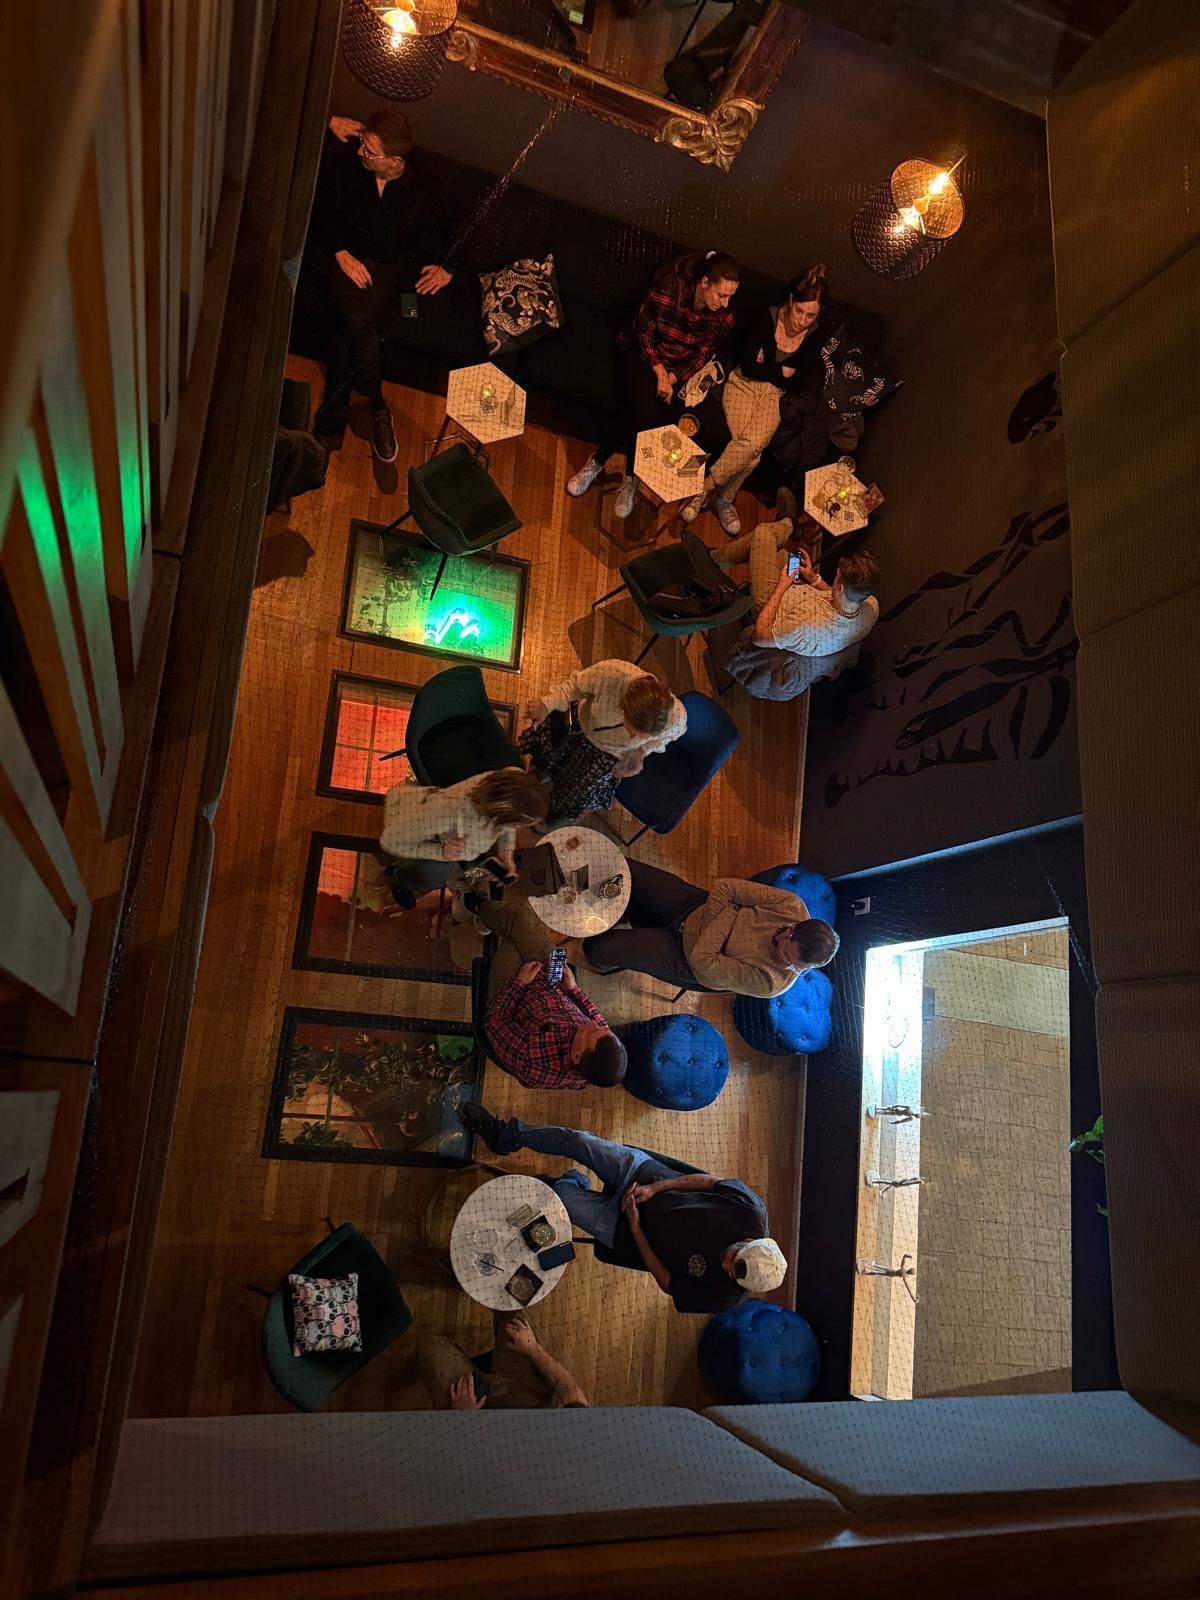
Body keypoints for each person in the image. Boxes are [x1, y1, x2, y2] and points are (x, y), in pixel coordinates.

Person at [457, 1105, 787, 1314]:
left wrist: (635, 1226)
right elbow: (707, 1182)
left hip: (624, 1229)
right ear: (751, 1240)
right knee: (579, 1141)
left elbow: (668, 1282)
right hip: (645, 1177)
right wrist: (655, 1188)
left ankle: (572, 1183)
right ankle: (506, 1135)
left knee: (556, 1197)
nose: (727, 1265)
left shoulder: (724, 1298)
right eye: (736, 1257)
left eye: (733, 1274)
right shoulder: (751, 1211)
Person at [309, 110, 455, 461]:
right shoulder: (348, 162)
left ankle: (330, 428)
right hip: (347, 257)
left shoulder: (426, 186)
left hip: (390, 270)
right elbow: (319, 207)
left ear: (394, 161)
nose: (362, 153)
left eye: (370, 151)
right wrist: (339, 251)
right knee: (355, 321)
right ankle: (375, 404)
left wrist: (450, 267)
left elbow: (459, 224)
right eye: (363, 144)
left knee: (350, 327)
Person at [566, 251, 739, 520]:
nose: (726, 302)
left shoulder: (722, 318)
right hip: (643, 354)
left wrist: (673, 377)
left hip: (675, 370)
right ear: (705, 282)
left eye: (730, 296)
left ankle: (631, 476)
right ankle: (599, 463)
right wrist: (658, 369)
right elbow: (642, 331)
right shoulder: (671, 287)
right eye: (721, 295)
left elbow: (701, 356)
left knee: (668, 419)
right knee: (641, 411)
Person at [682, 264, 831, 536]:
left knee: (751, 446)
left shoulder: (814, 335)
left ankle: (703, 489)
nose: (802, 320)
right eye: (800, 311)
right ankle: (723, 498)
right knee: (750, 455)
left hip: (774, 396)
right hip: (743, 384)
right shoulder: (767, 317)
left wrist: (772, 369)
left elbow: (797, 382)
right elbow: (749, 366)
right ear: (790, 301)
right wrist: (780, 371)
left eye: (811, 315)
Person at [581, 859, 838, 998]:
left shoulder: (772, 983)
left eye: (795, 966)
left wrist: (731, 912)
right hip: (694, 906)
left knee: (599, 948)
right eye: (786, 954)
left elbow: (701, 960)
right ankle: (632, 915)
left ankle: (626, 928)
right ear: (792, 928)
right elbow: (725, 887)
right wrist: (716, 931)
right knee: (622, 868)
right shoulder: (791, 905)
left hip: (685, 960)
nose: (786, 964)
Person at [519, 661, 685, 822]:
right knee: (546, 755)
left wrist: (641, 751)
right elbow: (574, 686)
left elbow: (667, 737)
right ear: (623, 706)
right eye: (631, 730)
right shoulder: (612, 673)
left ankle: (556, 809)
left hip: (609, 753)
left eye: (641, 736)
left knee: (575, 790)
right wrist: (546, 705)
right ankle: (540, 773)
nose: (633, 738)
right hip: (580, 727)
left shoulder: (677, 718)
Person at [715, 507, 882, 659]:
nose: (835, 577)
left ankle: (789, 523)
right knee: (780, 554)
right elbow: (842, 598)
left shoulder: (808, 627)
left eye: (837, 576)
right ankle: (717, 558)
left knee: (764, 533)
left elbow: (760, 637)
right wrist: (812, 578)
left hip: (772, 608)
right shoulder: (871, 606)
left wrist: (781, 586)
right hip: (798, 592)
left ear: (840, 587)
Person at [377, 768, 548, 903]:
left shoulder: (514, 778)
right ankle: (394, 877)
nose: (517, 829)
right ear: (504, 813)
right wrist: (440, 853)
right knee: (433, 876)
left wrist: (506, 853)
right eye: (518, 824)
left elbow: (506, 824)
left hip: (454, 842)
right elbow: (390, 840)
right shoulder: (447, 813)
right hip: (422, 830)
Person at [419, 1311, 588, 1409]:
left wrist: (465, 1422)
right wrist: (533, 1348)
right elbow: (567, 1385)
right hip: (529, 1391)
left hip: (482, 1418)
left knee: (428, 1347)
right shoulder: (582, 1425)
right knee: (513, 1307)